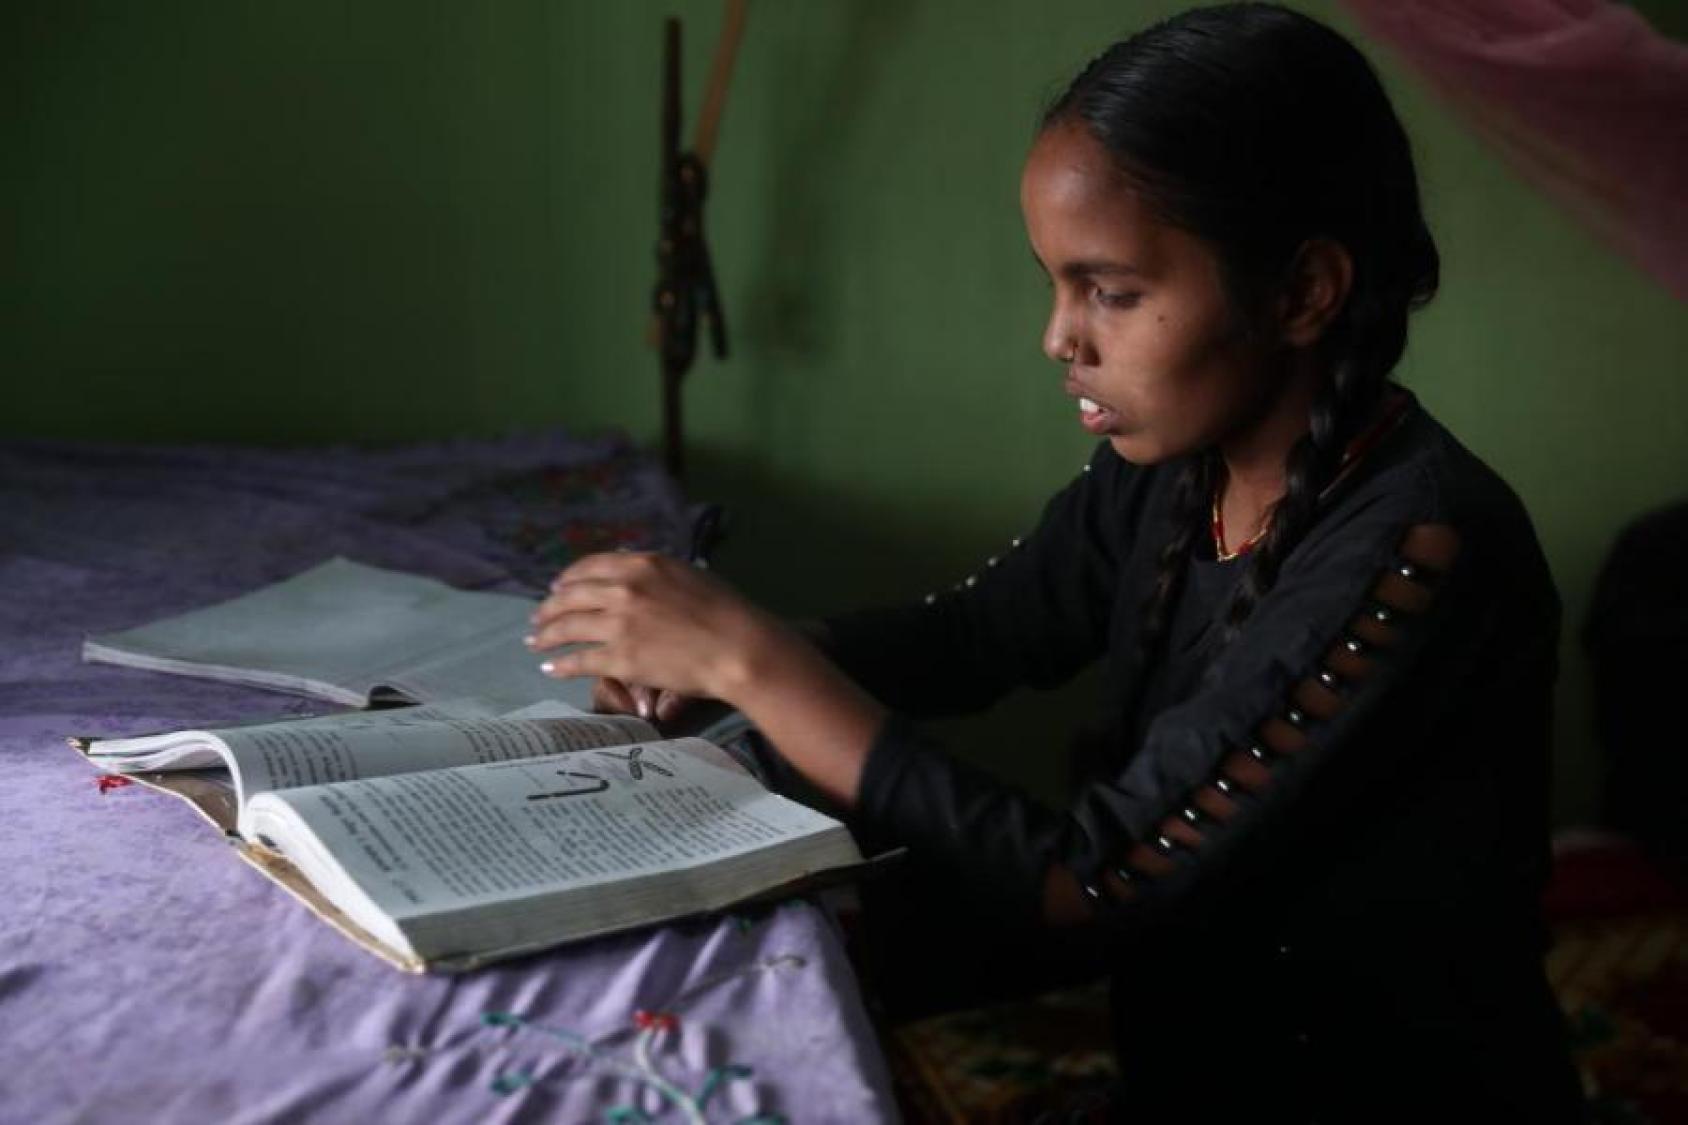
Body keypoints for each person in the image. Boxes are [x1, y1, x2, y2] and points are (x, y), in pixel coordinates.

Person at [527, 4, 1583, 1117]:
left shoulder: (1417, 546)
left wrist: (757, 671)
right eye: (1054, 283)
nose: (1059, 336)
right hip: (1194, 1063)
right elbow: (982, 634)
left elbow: (1091, 882)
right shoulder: (1172, 462)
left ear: (1301, 291)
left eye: (1110, 292)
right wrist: (729, 657)